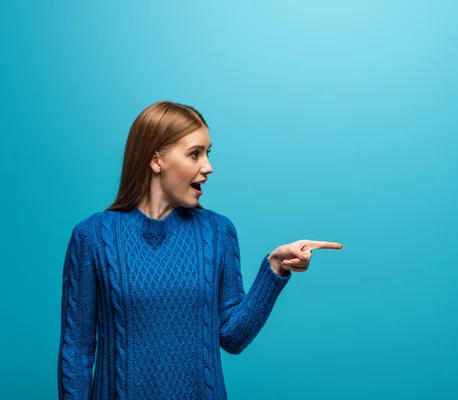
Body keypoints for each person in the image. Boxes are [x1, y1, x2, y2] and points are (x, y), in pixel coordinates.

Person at [57, 100, 343, 400]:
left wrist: (275, 268)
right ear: (157, 160)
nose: (208, 167)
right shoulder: (92, 237)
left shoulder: (218, 232)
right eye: (195, 154)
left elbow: (232, 337)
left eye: (207, 153)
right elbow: (76, 352)